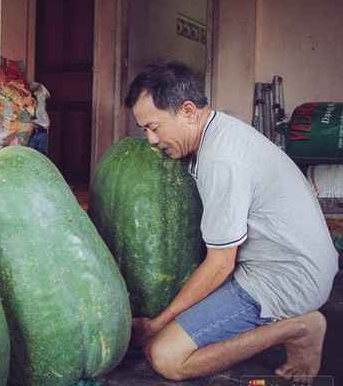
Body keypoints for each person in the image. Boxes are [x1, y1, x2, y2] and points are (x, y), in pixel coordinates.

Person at [126, 61, 339, 383]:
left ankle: (300, 328)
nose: (151, 140)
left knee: (166, 356)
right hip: (295, 262)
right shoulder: (220, 130)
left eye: (154, 128)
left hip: (287, 277)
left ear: (187, 111)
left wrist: (157, 324)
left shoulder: (222, 160)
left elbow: (220, 265)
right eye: (144, 130)